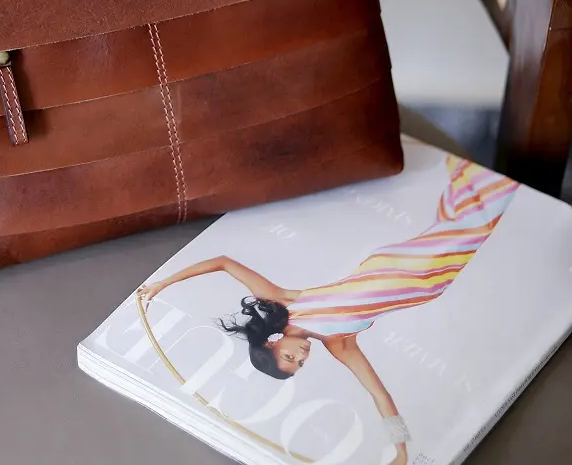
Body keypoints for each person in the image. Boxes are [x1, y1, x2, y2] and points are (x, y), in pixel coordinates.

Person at [138, 156, 518, 465]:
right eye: (300, 364)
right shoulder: (340, 343)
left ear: (272, 344)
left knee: (465, 210)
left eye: (289, 357)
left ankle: (482, 171)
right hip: (426, 279)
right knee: (472, 220)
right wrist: (401, 451)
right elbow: (379, 395)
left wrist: (161, 283)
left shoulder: (284, 301)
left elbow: (222, 261)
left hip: (399, 259)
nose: (302, 357)